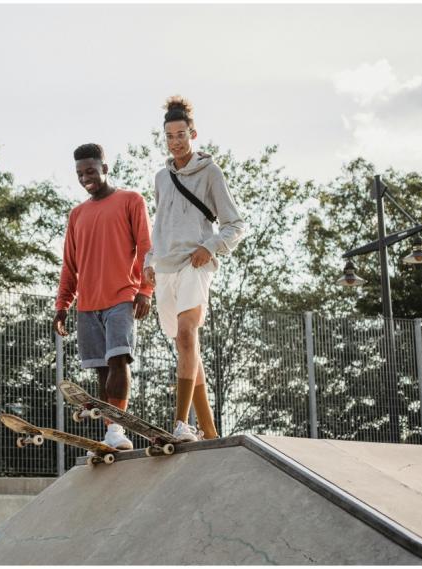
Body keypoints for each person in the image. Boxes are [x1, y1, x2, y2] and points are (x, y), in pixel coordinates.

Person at [143, 96, 246, 442]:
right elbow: (158, 226)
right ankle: (210, 431)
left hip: (194, 265)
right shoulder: (161, 178)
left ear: (193, 134)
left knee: (188, 335)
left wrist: (210, 246)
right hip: (166, 267)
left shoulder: (210, 172)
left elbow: (235, 224)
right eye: (169, 136)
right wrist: (149, 262)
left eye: (181, 134)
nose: (175, 142)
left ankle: (180, 423)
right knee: (186, 347)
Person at [54, 143, 154, 450]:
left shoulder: (130, 200)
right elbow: (70, 265)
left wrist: (145, 290)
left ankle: (117, 430)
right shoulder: (77, 214)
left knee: (118, 359)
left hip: (122, 296)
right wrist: (62, 306)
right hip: (88, 303)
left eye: (91, 171)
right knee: (100, 367)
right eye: (80, 174)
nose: (86, 178)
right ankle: (111, 428)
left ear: (105, 168)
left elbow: (147, 248)